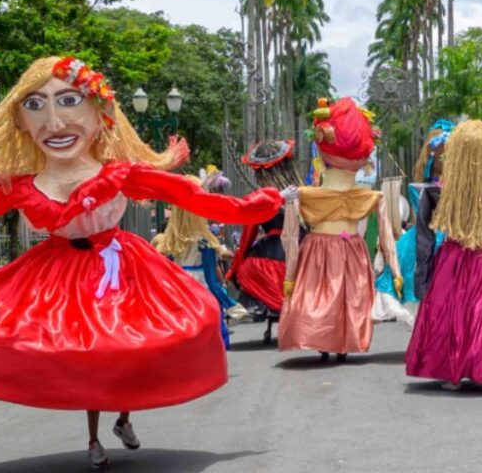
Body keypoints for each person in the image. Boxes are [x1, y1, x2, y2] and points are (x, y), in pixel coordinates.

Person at [0, 56, 283, 469]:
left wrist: (264, 203)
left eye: (69, 100)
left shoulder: (122, 174)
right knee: (86, 357)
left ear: (100, 113)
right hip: (58, 275)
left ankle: (123, 418)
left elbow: (203, 201)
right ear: (20, 121)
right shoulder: (21, 186)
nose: (55, 120)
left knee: (137, 345)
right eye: (36, 106)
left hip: (121, 268)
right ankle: (95, 436)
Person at [279, 98, 402, 362]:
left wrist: (290, 275)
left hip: (321, 248)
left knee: (324, 295)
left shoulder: (302, 195)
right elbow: (387, 236)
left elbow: (289, 236)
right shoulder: (371, 196)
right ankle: (340, 343)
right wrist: (395, 271)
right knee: (348, 296)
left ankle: (328, 342)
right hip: (350, 249)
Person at [406, 120, 482, 390]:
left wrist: (422, 280)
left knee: (453, 313)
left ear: (454, 152)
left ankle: (453, 372)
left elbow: (423, 239)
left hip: (452, 259)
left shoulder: (437, 191)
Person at [153, 175, 252, 349]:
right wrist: (231, 305)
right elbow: (212, 281)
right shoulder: (203, 241)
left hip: (176, 289)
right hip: (199, 290)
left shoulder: (167, 242)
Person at [226, 139, 305, 343]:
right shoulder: (303, 192)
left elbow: (247, 237)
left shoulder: (261, 198)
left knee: (248, 268)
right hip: (300, 250)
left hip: (268, 254)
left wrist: (234, 267)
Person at [374, 119, 453, 318]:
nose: (444, 156)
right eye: (441, 151)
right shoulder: (422, 186)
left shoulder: (460, 182)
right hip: (429, 234)